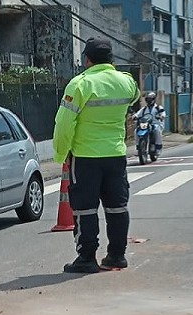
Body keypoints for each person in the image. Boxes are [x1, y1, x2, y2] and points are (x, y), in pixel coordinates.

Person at [53, 37, 141, 274]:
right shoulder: (127, 82)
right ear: (110, 58)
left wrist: (61, 153)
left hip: (85, 157)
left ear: (87, 59)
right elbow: (134, 98)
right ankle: (116, 256)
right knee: (117, 206)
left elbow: (63, 124)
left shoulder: (80, 84)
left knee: (85, 209)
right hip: (115, 155)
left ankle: (87, 258)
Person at [133, 91, 166, 156]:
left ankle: (158, 148)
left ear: (153, 99)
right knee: (136, 131)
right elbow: (138, 114)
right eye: (147, 99)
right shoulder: (144, 109)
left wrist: (161, 116)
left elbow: (163, 113)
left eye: (150, 99)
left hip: (156, 124)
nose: (149, 101)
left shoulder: (158, 107)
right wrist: (134, 116)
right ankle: (138, 148)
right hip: (146, 124)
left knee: (157, 131)